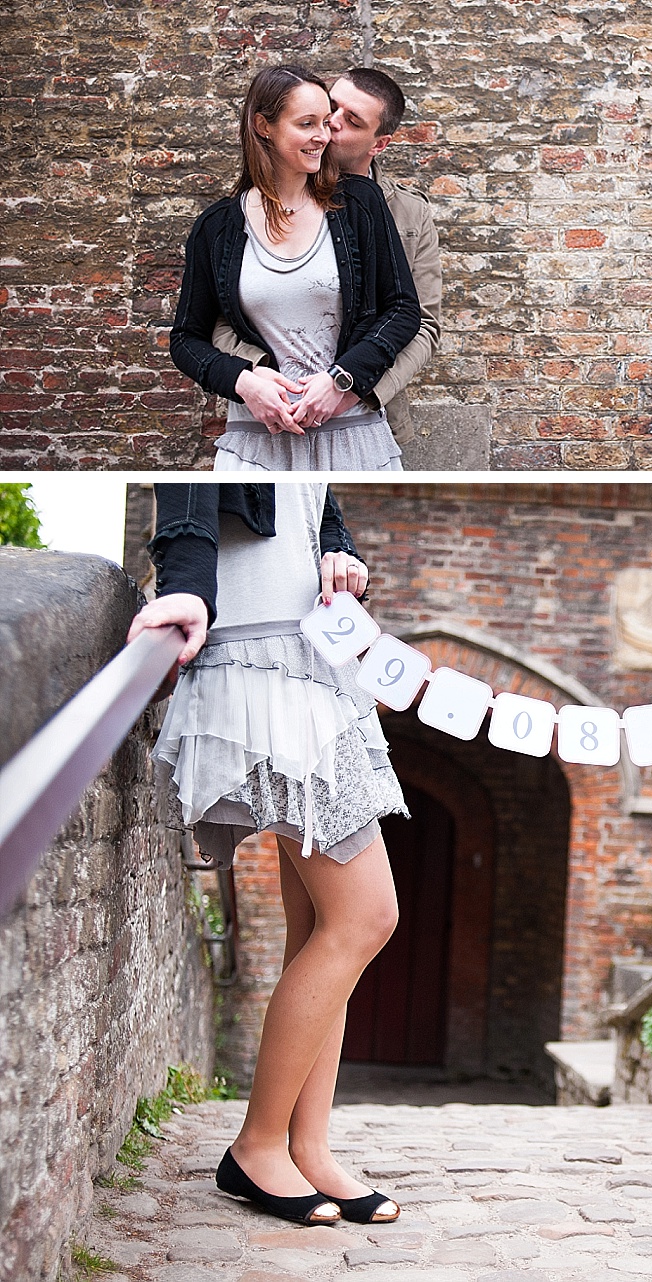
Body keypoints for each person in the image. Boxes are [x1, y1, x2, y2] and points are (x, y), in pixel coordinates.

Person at [128, 482, 409, 1225]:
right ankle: (257, 1146)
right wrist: (185, 590)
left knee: (320, 928)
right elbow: (186, 491)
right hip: (265, 660)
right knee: (366, 917)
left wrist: (336, 549)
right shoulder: (221, 390)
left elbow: (312, 503)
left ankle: (306, 1147)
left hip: (313, 655)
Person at [170, 65, 422, 470]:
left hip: (352, 435)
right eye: (308, 124)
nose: (324, 135)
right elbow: (186, 338)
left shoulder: (359, 203)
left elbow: (403, 310)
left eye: (326, 122)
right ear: (263, 126)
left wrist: (343, 378)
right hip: (256, 442)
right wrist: (243, 381)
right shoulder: (216, 227)